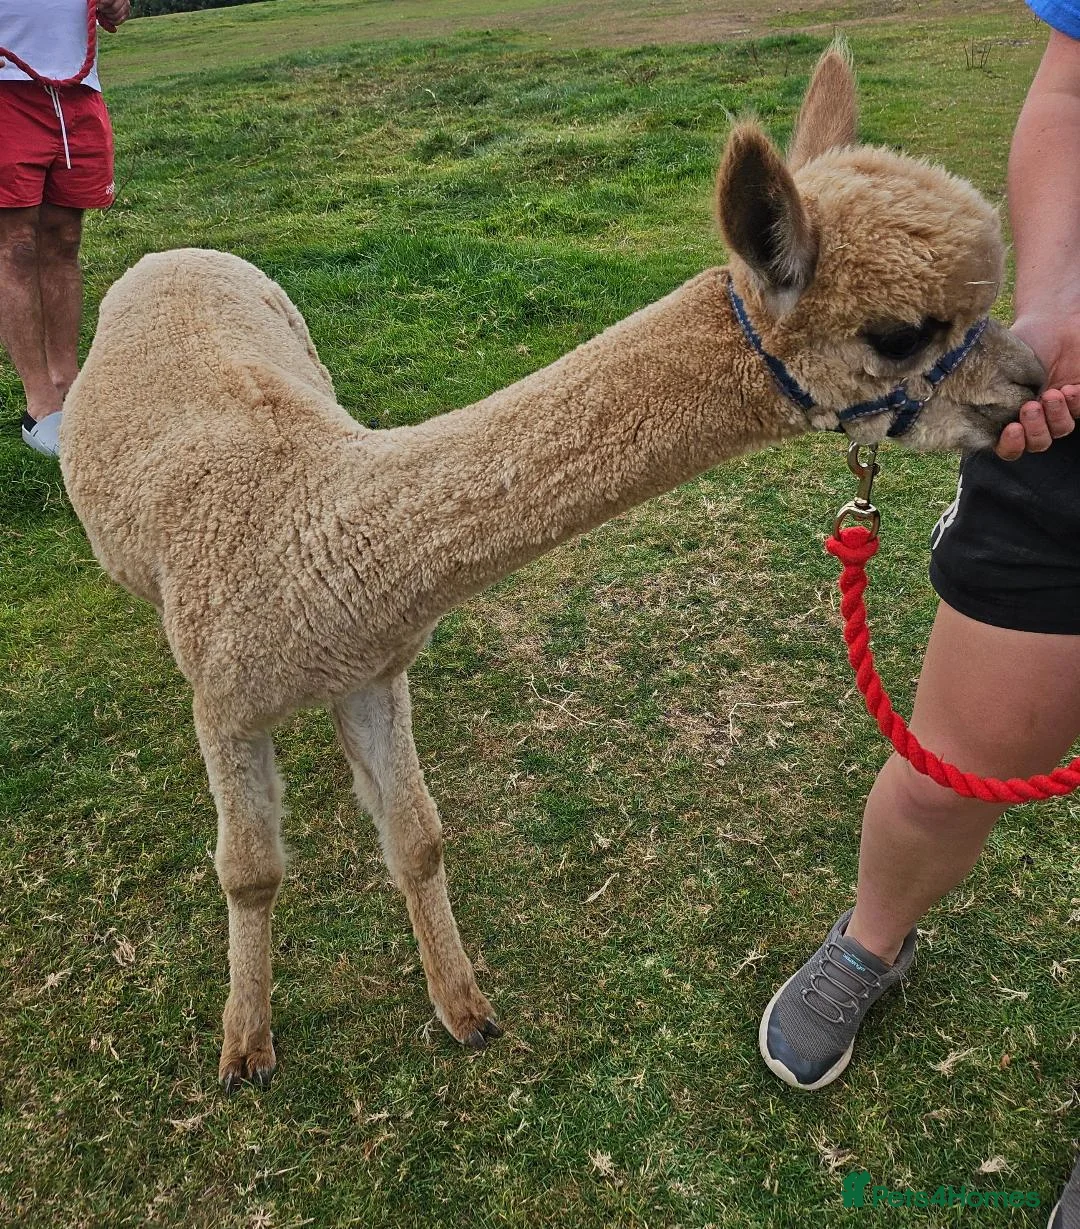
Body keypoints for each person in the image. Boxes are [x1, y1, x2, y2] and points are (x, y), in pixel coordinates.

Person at [759, 4, 1080, 1221]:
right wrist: (1053, 293)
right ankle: (870, 937)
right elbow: (1070, 91)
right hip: (1071, 419)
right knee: (946, 768)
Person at [0, 0, 131, 457]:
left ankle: (67, 381)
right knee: (16, 246)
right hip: (6, 89)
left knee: (64, 239)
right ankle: (40, 405)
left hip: (77, 90)